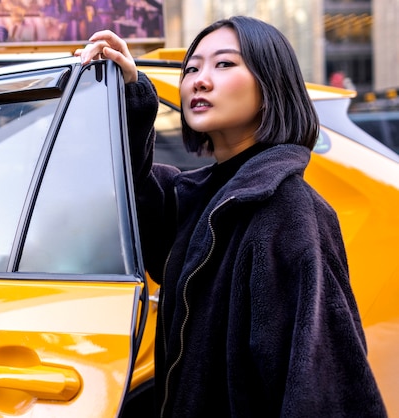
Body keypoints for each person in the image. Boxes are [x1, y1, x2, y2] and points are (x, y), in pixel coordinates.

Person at [76, 17, 387, 417]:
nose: (199, 81)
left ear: (271, 84)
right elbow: (143, 212)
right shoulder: (205, 198)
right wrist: (133, 96)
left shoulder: (289, 212)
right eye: (192, 69)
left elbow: (321, 385)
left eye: (224, 65)